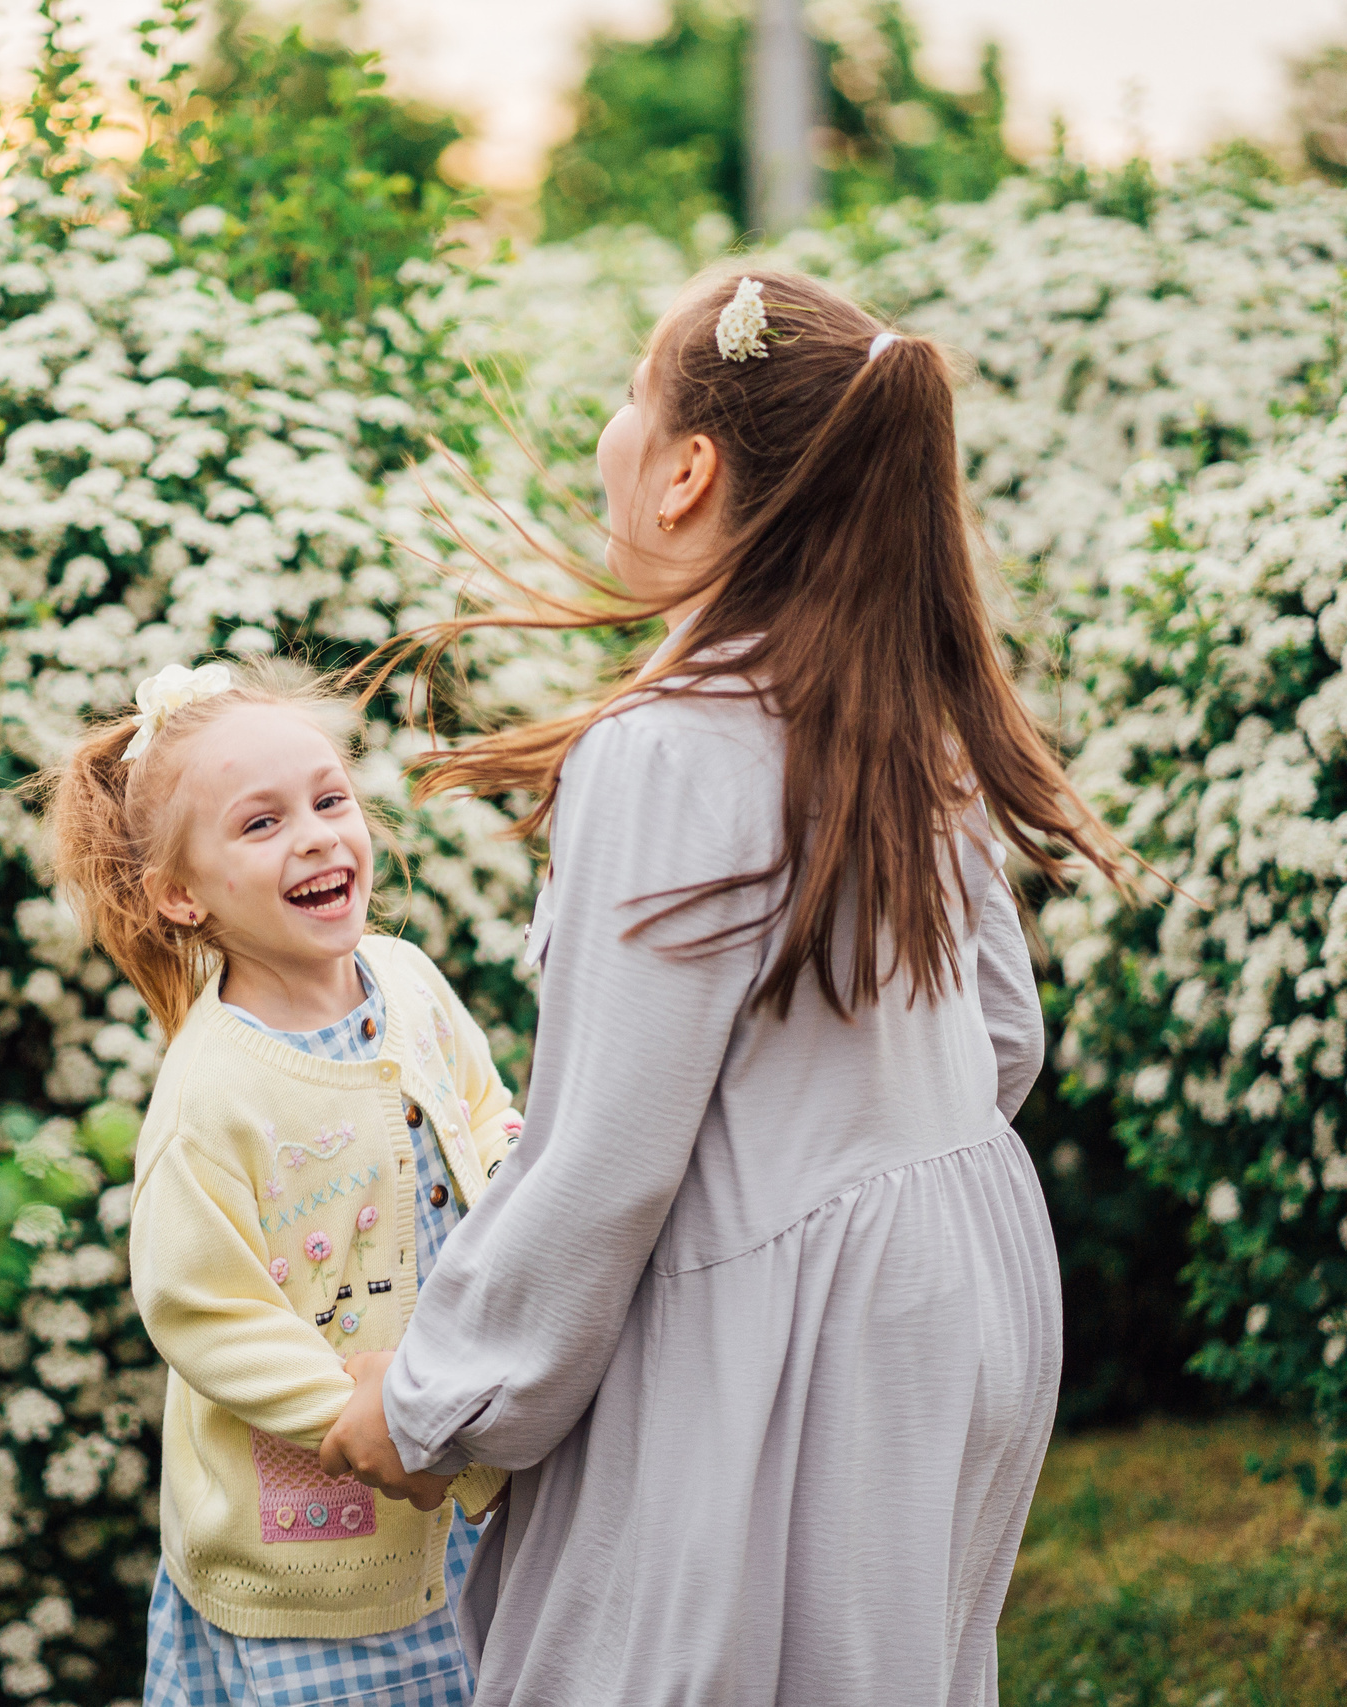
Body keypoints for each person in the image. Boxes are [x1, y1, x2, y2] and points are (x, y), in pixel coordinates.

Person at [316, 267, 1128, 1706]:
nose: (612, 436)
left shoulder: (668, 747)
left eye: (634, 398)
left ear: (688, 469)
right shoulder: (893, 708)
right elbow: (1003, 1035)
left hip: (794, 1335)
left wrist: (434, 1400)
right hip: (965, 1289)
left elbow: (609, 1158)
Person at [39, 655, 523, 1706]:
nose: (314, 835)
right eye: (260, 824)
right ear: (180, 895)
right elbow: (204, 1308)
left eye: (328, 800)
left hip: (467, 1492)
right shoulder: (213, 1093)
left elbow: (484, 1108)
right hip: (319, 1567)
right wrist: (362, 1417)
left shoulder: (408, 982)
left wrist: (506, 1182)